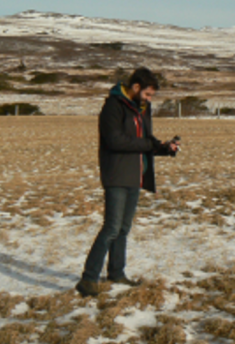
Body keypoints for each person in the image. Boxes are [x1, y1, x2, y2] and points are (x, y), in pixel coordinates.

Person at [76, 67, 181, 297]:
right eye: (147, 94)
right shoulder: (113, 106)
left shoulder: (142, 108)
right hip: (116, 174)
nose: (149, 99)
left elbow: (145, 140)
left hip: (135, 175)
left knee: (123, 228)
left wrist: (164, 147)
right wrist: (149, 145)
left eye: (151, 96)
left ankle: (116, 272)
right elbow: (115, 140)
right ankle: (88, 279)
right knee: (111, 228)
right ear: (136, 87)